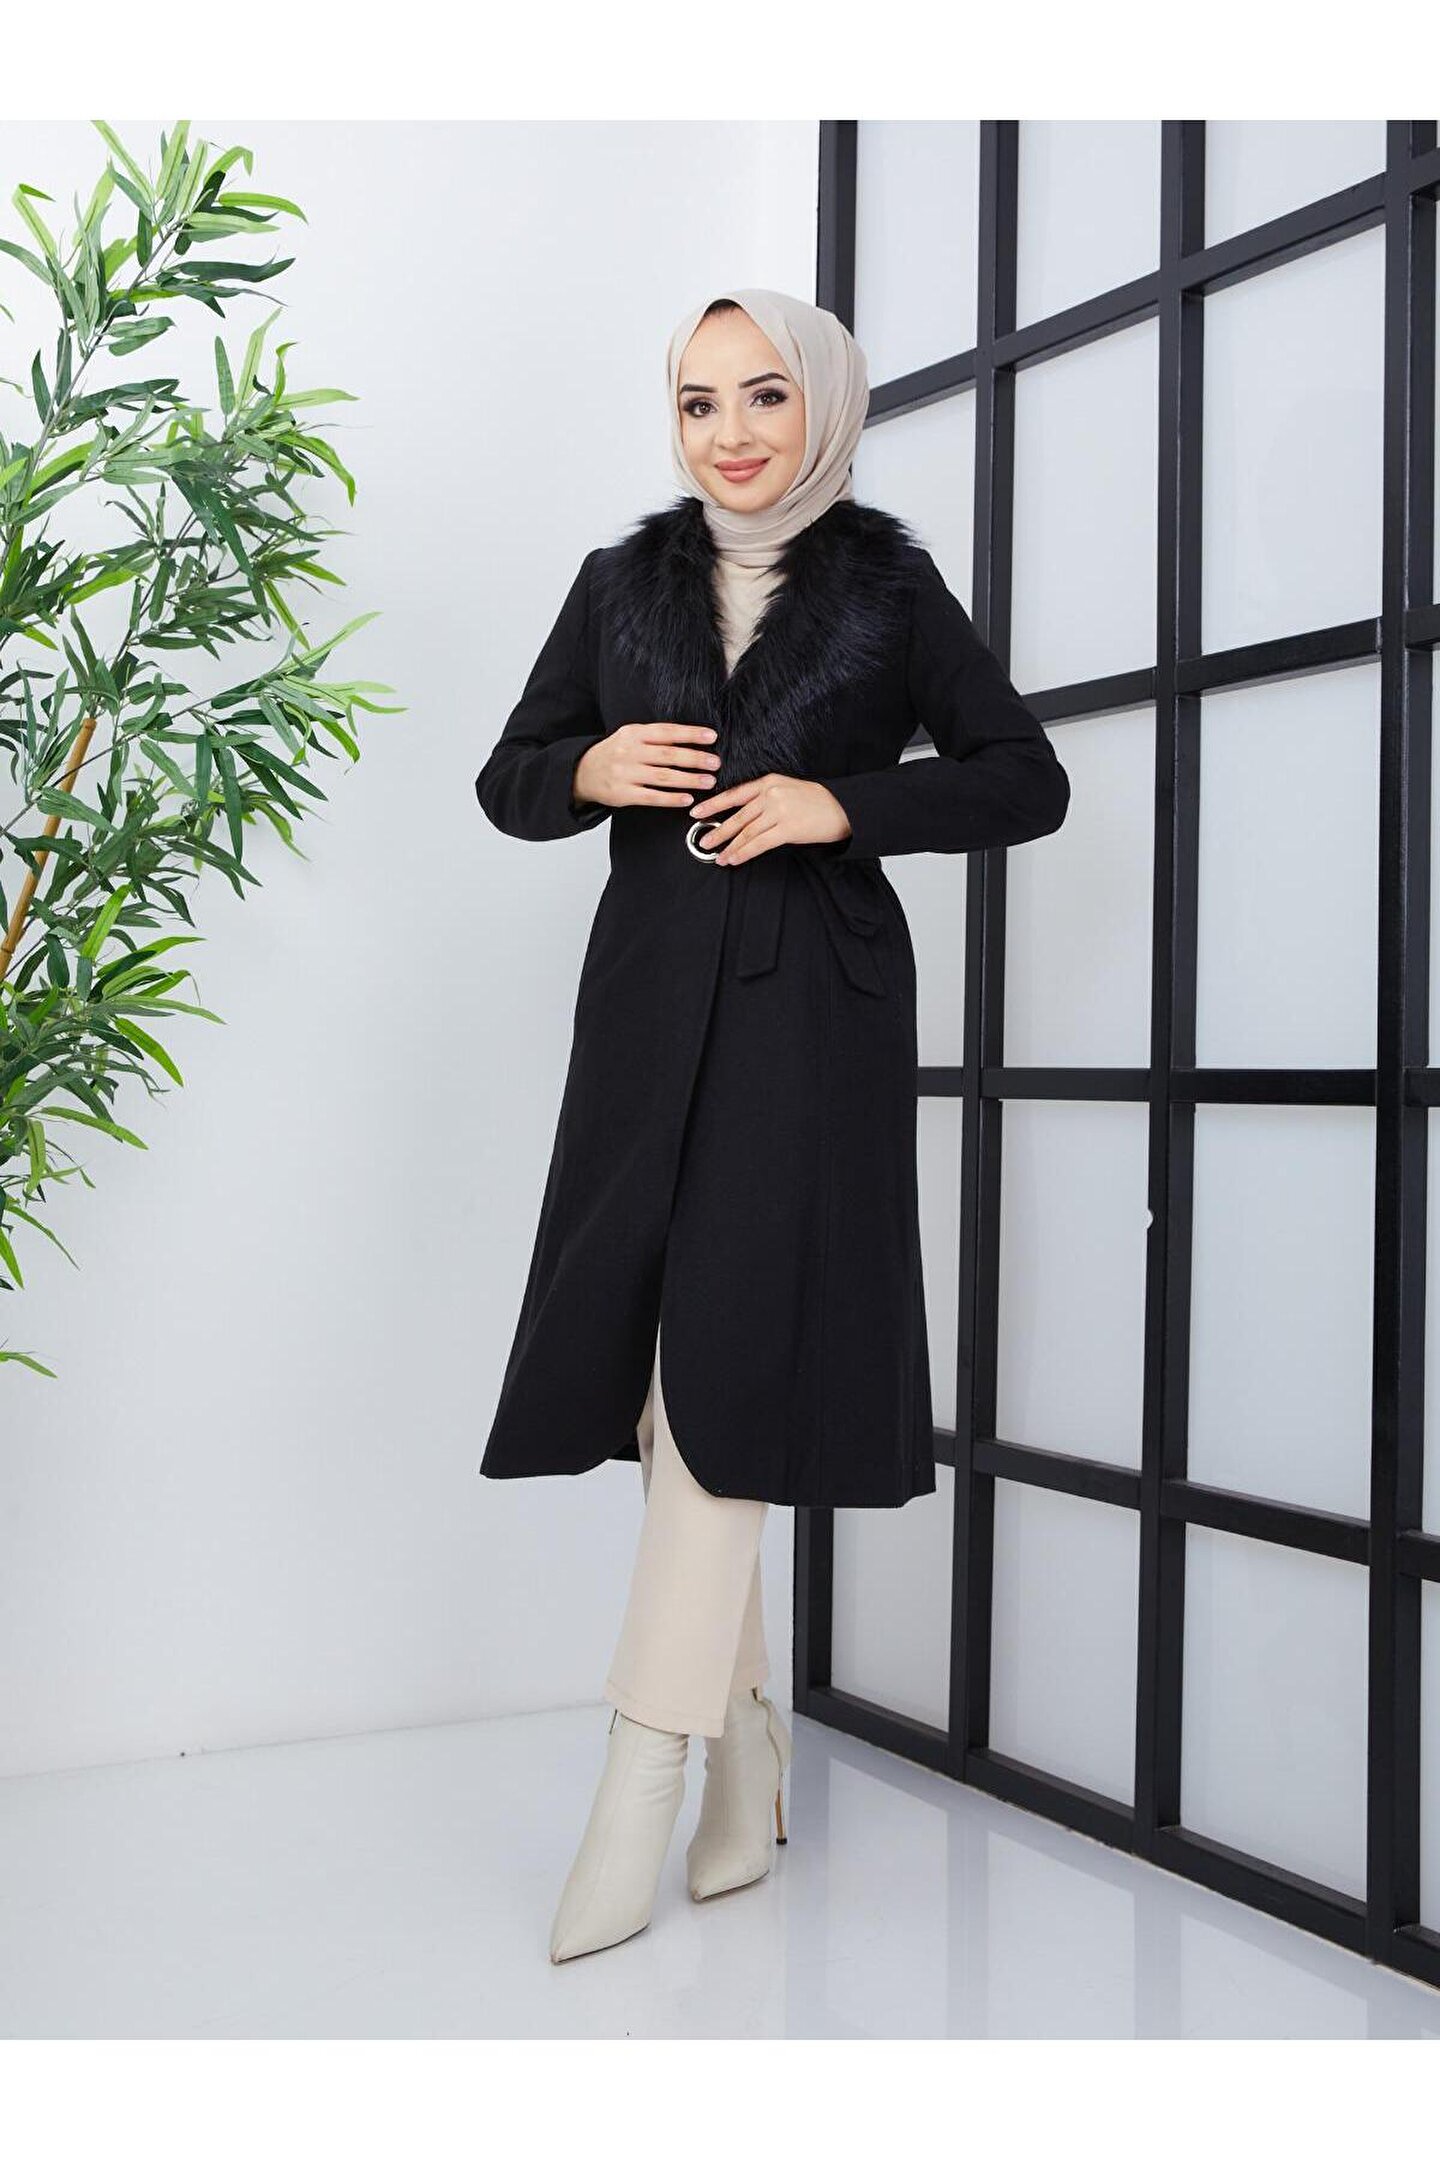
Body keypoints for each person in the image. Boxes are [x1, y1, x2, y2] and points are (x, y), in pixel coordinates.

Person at [474, 288, 1071, 1963]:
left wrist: (839, 804)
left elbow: (1026, 776)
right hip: (644, 1015)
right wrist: (587, 770)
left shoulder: (888, 590)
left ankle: (641, 1776)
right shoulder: (621, 584)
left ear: (823, 406)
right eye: (696, 402)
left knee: (725, 1365)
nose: (729, 434)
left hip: (812, 1020)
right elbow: (511, 776)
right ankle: (749, 1746)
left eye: (761, 397)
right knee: (667, 1383)